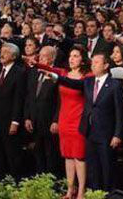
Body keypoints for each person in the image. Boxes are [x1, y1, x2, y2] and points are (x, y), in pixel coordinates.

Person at [46, 52, 123, 191]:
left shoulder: (115, 85)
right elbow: (72, 83)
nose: (93, 65)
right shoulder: (89, 81)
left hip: (106, 134)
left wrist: (117, 134)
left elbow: (120, 112)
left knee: (107, 169)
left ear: (106, 65)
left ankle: (107, 194)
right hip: (89, 132)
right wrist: (56, 77)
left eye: (96, 63)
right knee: (93, 169)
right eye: (92, 62)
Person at [36, 46, 91, 199]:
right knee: (67, 156)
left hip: (78, 119)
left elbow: (73, 84)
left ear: (83, 59)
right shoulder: (64, 72)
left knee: (79, 157)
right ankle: (69, 190)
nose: (71, 59)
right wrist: (35, 63)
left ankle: (81, 192)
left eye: (76, 56)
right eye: (70, 56)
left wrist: (55, 76)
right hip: (64, 119)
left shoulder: (88, 76)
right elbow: (49, 68)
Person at [0, 42, 27, 180]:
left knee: (13, 155)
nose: (2, 54)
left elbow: (19, 99)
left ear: (14, 56)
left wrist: (15, 121)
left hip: (10, 120)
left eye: (5, 52)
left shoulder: (20, 72)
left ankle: (16, 182)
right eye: (1, 51)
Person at [24, 45, 61, 176]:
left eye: (44, 56)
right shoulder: (34, 72)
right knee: (37, 152)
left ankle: (51, 180)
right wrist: (27, 117)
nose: (40, 58)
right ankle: (39, 179)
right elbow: (29, 96)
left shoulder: (57, 75)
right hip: (34, 120)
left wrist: (56, 120)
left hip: (49, 121)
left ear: (52, 58)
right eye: (40, 55)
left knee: (51, 154)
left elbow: (60, 101)